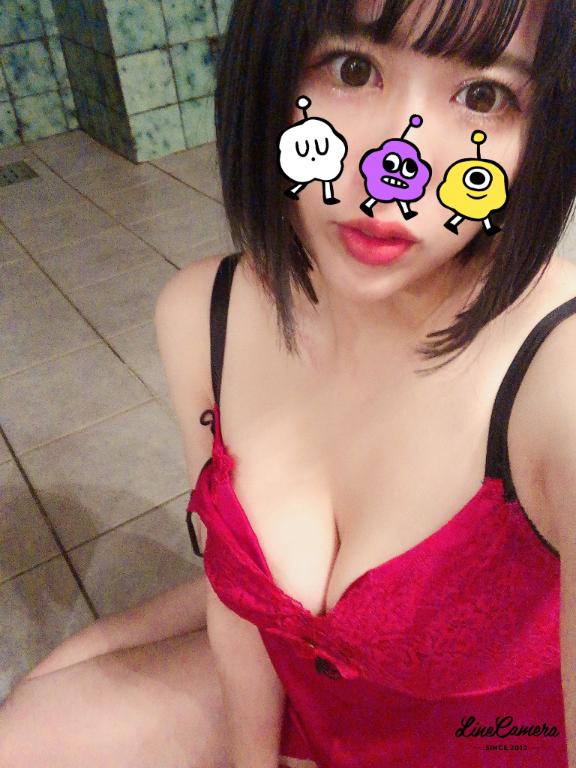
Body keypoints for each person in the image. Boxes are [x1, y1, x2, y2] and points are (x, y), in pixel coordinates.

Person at [1, 0, 575, 766]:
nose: (393, 174)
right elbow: (237, 603)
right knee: (23, 727)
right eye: (352, 69)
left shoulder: (557, 378)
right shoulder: (203, 314)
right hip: (304, 694)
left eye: (483, 95)